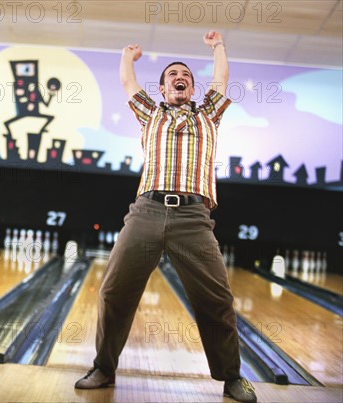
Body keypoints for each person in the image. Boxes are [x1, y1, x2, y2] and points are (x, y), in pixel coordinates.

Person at [74, 31, 257, 403]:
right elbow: (128, 81)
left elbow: (220, 79)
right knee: (113, 292)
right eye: (174, 74)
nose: (181, 77)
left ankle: (232, 378)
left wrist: (218, 47)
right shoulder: (150, 113)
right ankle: (104, 368)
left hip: (194, 217)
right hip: (147, 211)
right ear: (162, 88)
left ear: (191, 88)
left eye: (187, 76)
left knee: (216, 300)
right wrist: (128, 55)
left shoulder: (209, 114)